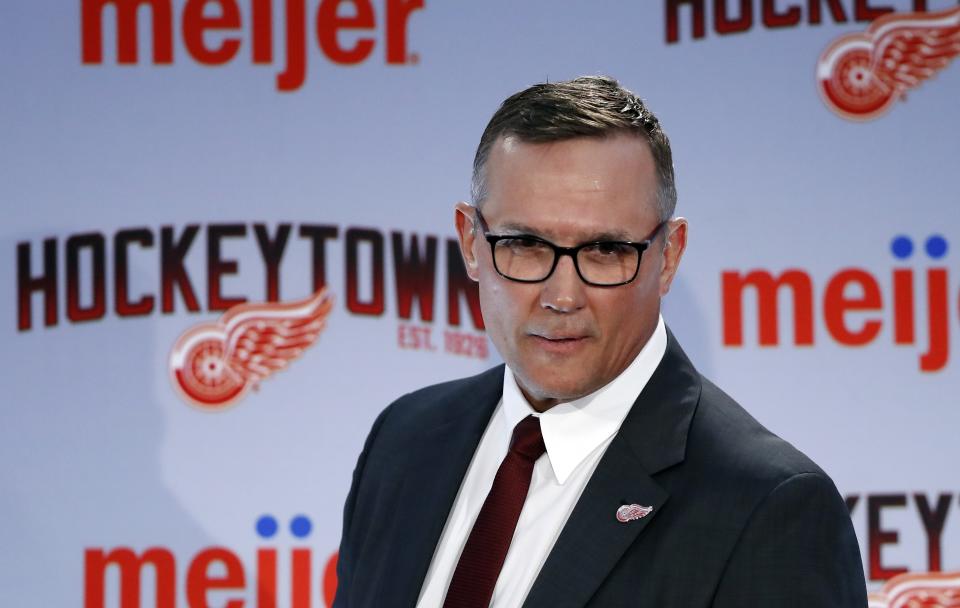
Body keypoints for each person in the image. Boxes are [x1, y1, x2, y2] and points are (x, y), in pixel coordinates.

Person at [332, 75, 867, 607]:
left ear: (669, 256)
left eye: (605, 251)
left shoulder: (768, 509)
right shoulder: (404, 441)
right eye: (524, 244)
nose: (562, 296)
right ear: (471, 242)